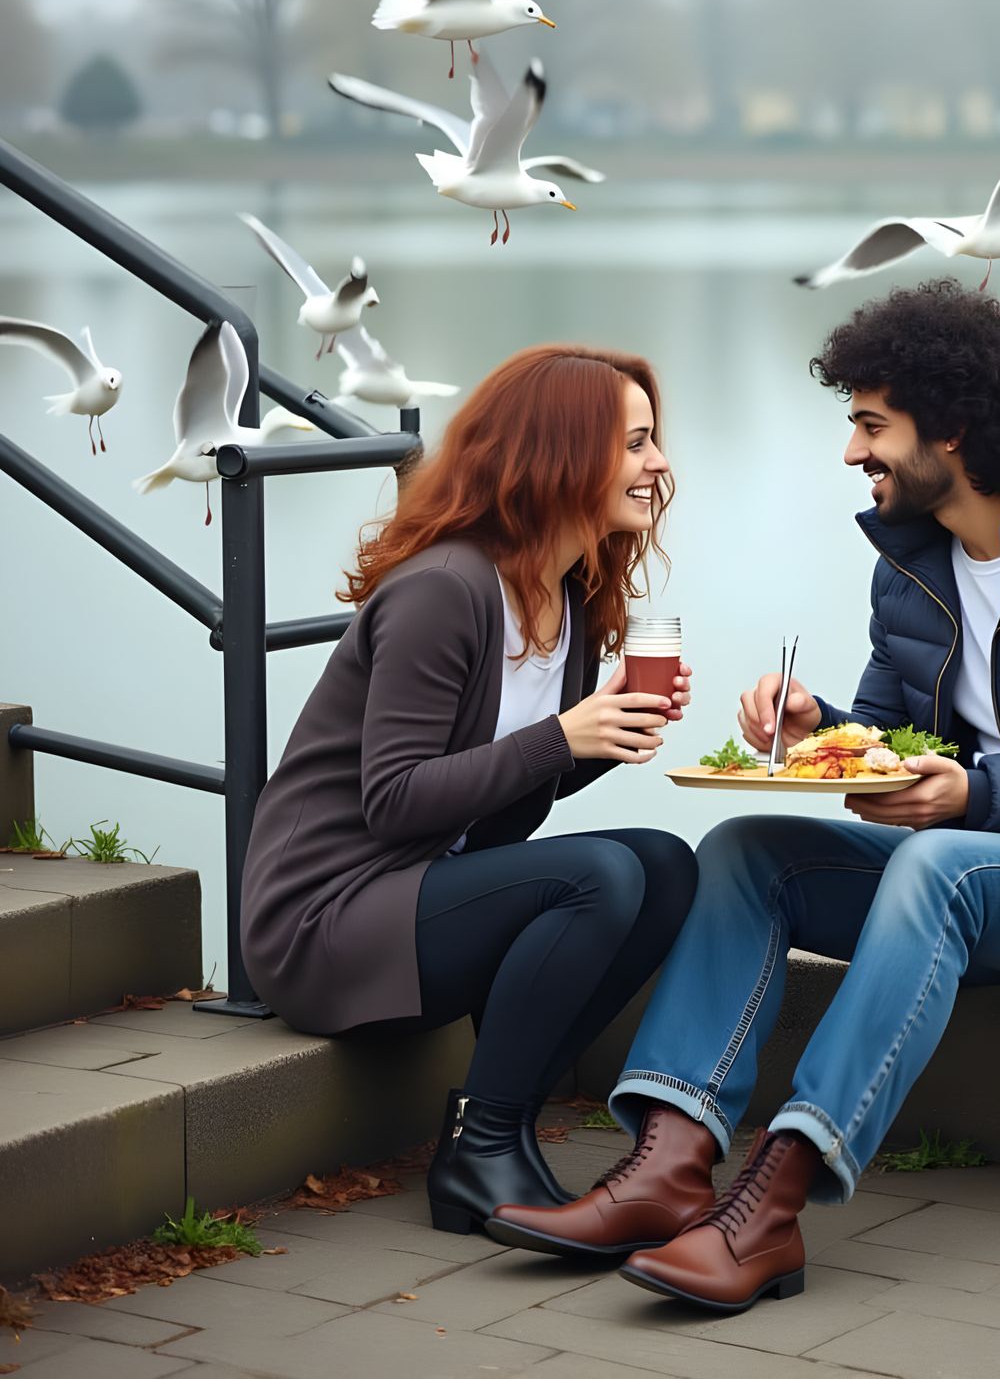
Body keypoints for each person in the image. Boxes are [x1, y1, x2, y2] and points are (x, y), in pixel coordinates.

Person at [487, 280, 1000, 1313]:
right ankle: (663, 1169)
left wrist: (973, 793)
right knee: (745, 851)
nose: (850, 453)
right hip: (983, 878)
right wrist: (815, 729)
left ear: (949, 430)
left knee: (936, 862)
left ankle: (769, 1210)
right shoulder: (910, 561)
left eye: (869, 425)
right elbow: (895, 741)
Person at [240, 344, 699, 1237]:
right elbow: (397, 802)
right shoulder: (445, 590)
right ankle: (478, 1150)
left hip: (423, 895)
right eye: (636, 443)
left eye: (655, 441)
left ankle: (504, 1116)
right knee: (599, 876)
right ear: (562, 453)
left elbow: (508, 791)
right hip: (326, 921)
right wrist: (561, 734)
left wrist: (604, 733)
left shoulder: (567, 593)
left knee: (667, 865)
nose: (659, 464)